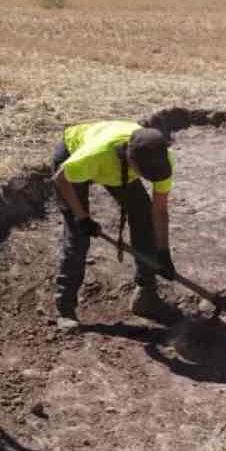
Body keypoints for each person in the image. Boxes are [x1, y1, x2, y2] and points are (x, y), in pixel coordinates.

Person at [50, 121, 179, 328]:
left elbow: (159, 210)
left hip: (116, 166)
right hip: (72, 158)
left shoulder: (160, 159)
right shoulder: (95, 156)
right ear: (132, 160)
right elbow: (61, 179)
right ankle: (65, 308)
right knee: (78, 237)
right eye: (146, 173)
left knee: (143, 218)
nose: (150, 177)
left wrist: (163, 253)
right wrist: (82, 218)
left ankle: (146, 295)